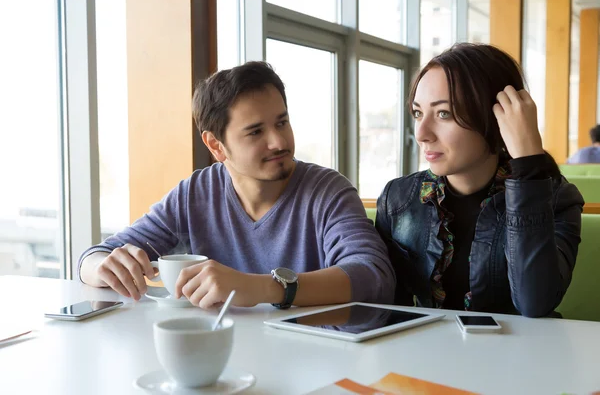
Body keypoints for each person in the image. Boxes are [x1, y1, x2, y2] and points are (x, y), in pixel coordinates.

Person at [79, 61, 395, 309]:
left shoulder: (328, 191)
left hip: (316, 362)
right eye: (256, 132)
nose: (279, 141)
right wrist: (102, 266)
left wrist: (257, 287)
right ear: (216, 146)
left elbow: (373, 276)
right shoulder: (195, 194)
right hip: (226, 360)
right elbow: (96, 257)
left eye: (282, 122)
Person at [376, 43, 584, 318]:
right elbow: (388, 306)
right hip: (426, 353)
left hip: (517, 356)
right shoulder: (399, 198)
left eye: (443, 113)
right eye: (418, 113)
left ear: (496, 117)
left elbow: (535, 302)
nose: (422, 133)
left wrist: (528, 162)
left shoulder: (555, 198)